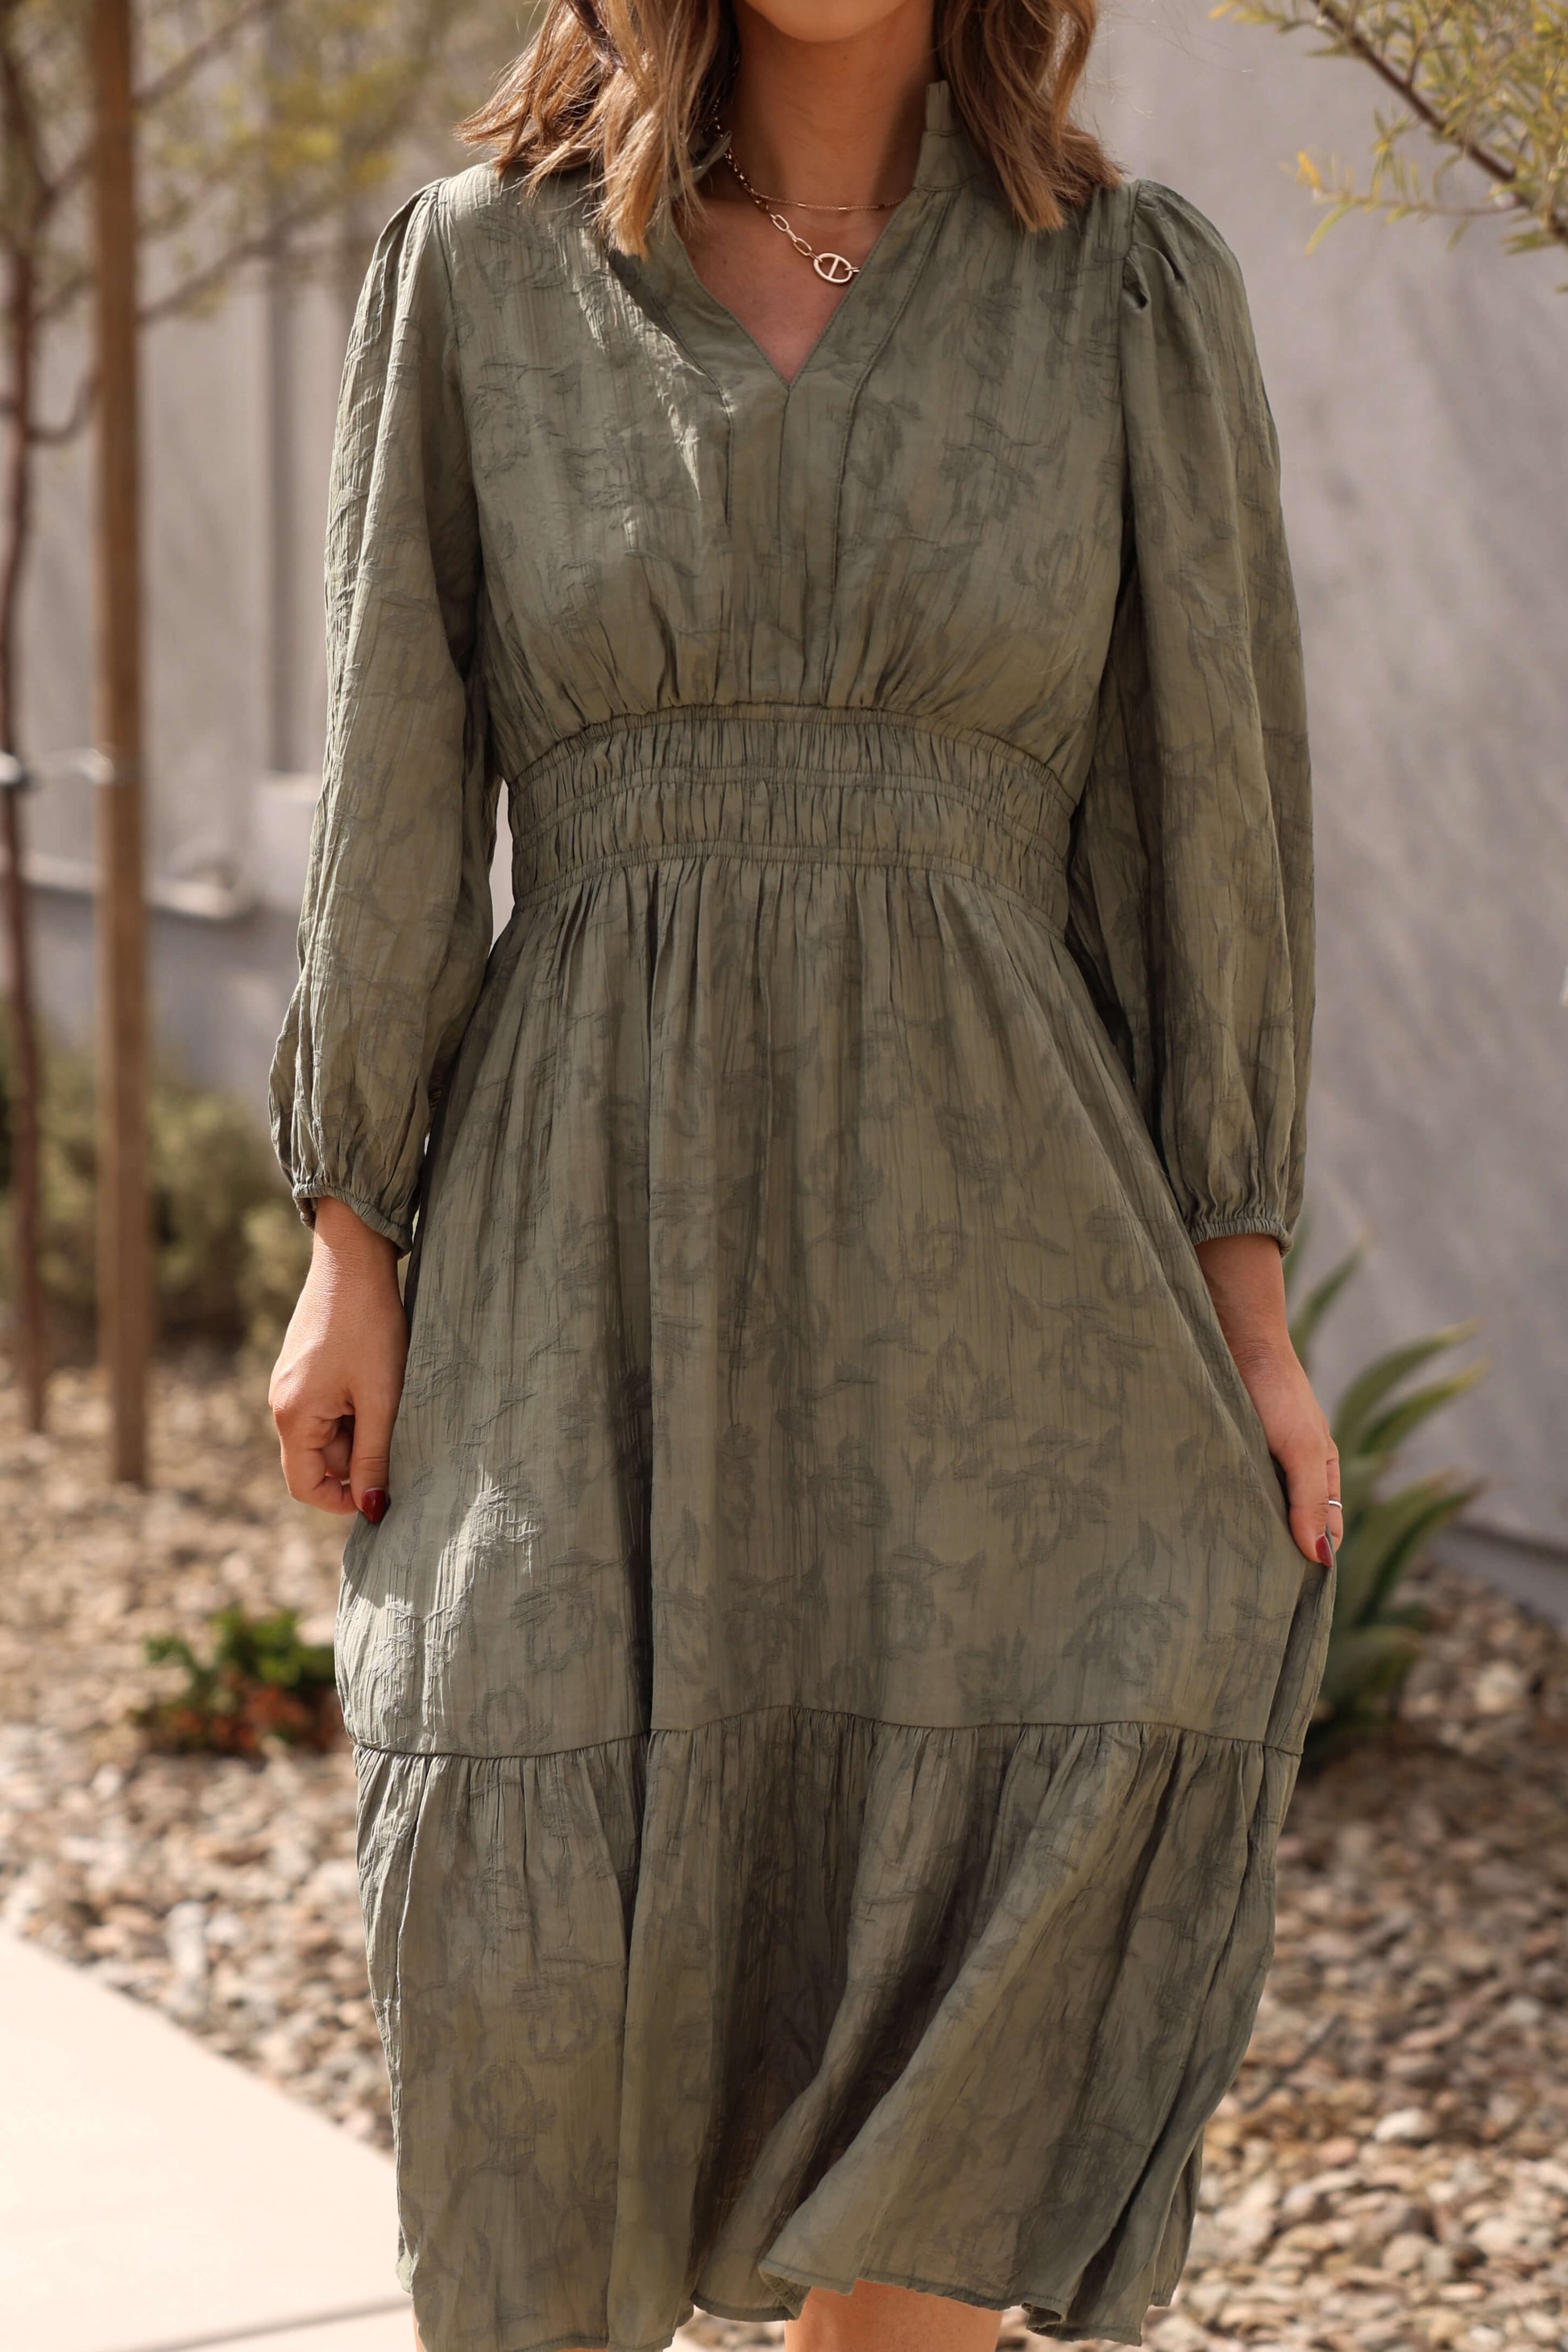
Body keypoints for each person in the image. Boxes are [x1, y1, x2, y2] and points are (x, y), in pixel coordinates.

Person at [268, 0, 1342, 2345]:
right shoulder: (476, 279)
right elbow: (395, 778)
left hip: (1006, 1251)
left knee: (973, 1906)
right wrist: (352, 1234)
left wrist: (1245, 1317)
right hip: (586, 1241)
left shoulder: (1125, 290)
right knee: (522, 1929)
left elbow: (1204, 829)